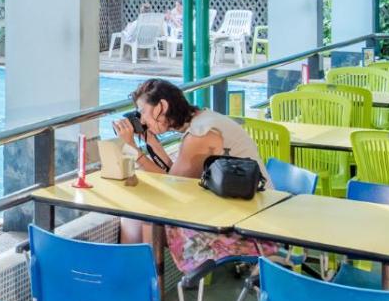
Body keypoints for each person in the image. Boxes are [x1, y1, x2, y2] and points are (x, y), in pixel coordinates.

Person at [110, 77, 278, 273]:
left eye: (143, 112)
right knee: (137, 217)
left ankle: (144, 283)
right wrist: (152, 142)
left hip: (253, 232)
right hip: (247, 213)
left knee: (144, 219)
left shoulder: (200, 134)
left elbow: (172, 186)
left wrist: (132, 149)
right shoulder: (203, 120)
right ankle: (139, 281)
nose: (142, 120)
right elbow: (177, 175)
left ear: (162, 106)